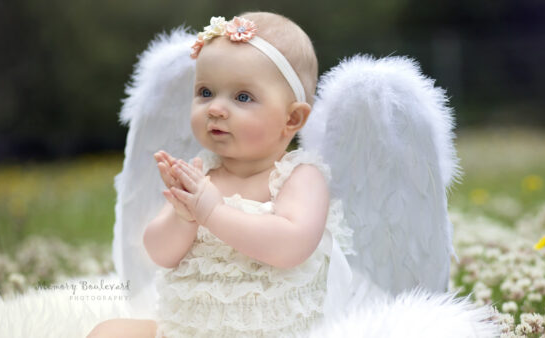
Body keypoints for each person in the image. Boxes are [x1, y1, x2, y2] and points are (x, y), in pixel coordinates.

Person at [87, 11, 352, 337]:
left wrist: (213, 212)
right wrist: (183, 217)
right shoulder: (202, 174)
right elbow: (158, 254)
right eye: (205, 92)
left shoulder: (300, 177)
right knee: (107, 332)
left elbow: (291, 246)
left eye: (243, 97)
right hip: (187, 329)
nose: (214, 108)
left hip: (269, 330)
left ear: (292, 120)